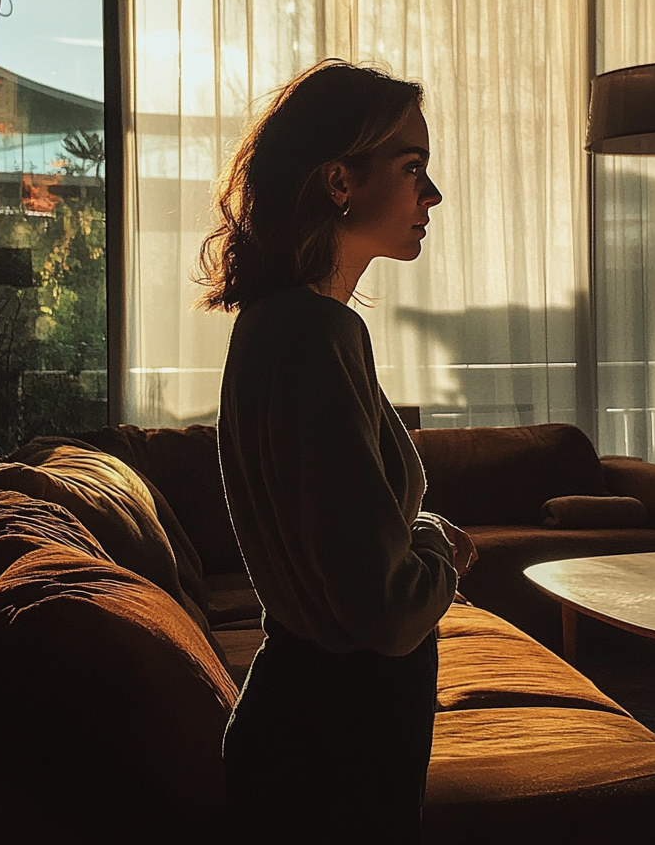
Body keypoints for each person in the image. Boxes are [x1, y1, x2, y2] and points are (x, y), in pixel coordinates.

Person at [196, 59, 478, 845]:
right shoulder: (315, 335)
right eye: (412, 168)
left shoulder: (279, 324)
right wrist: (439, 547)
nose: (432, 194)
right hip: (336, 746)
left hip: (312, 728)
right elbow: (382, 609)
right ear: (339, 180)